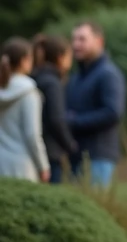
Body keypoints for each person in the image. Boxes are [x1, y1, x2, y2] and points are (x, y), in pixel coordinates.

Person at [64, 21, 126, 188]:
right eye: (74, 39)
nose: (76, 45)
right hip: (75, 156)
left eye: (82, 39)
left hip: (98, 157)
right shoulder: (76, 78)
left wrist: (73, 121)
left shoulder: (108, 74)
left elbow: (112, 112)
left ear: (99, 41)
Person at [0, 38, 49, 182]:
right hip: (23, 166)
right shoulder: (29, 92)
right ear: (24, 60)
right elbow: (32, 135)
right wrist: (43, 166)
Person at [31, 35, 78, 184]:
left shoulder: (36, 77)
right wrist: (70, 145)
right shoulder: (53, 83)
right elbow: (56, 119)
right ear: (60, 57)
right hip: (50, 153)